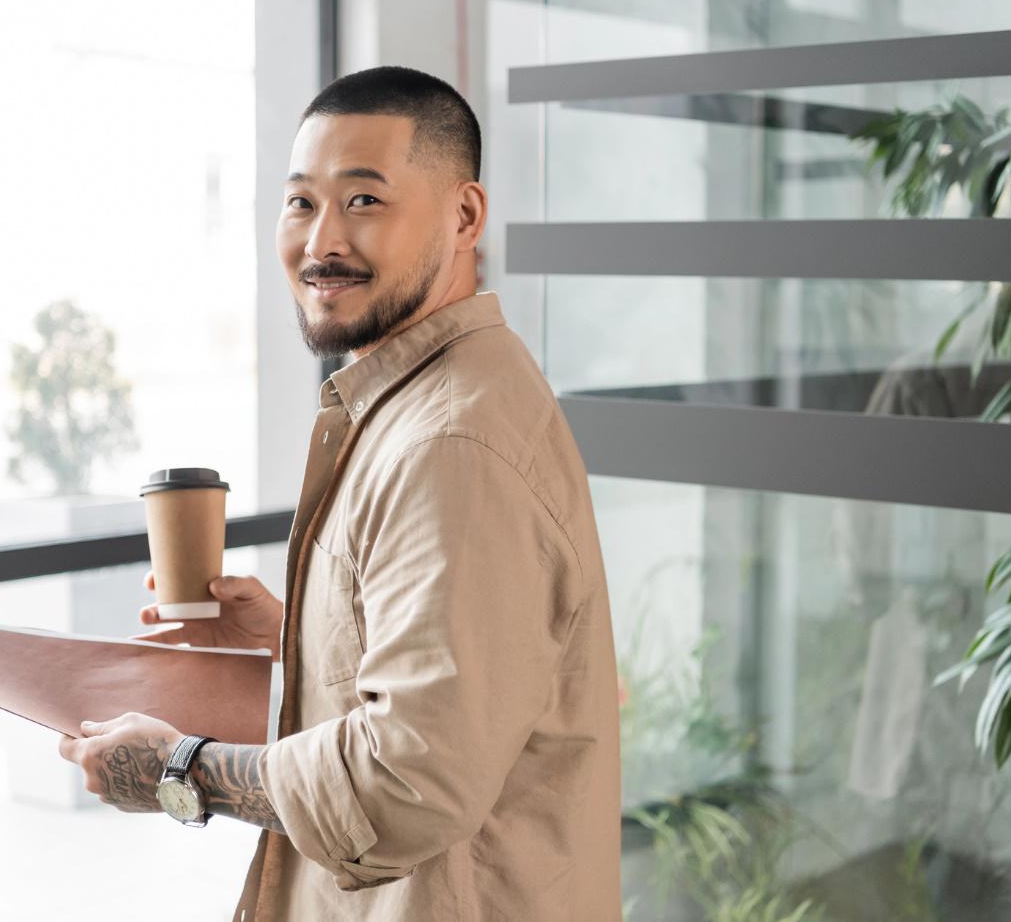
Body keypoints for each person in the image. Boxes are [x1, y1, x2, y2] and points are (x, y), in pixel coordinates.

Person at [58, 65, 621, 921]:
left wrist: (181, 769)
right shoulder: (419, 401)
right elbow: (461, 686)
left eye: (363, 201)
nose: (322, 240)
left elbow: (405, 780)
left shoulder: (448, 442)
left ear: (463, 215)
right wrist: (301, 637)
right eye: (299, 202)